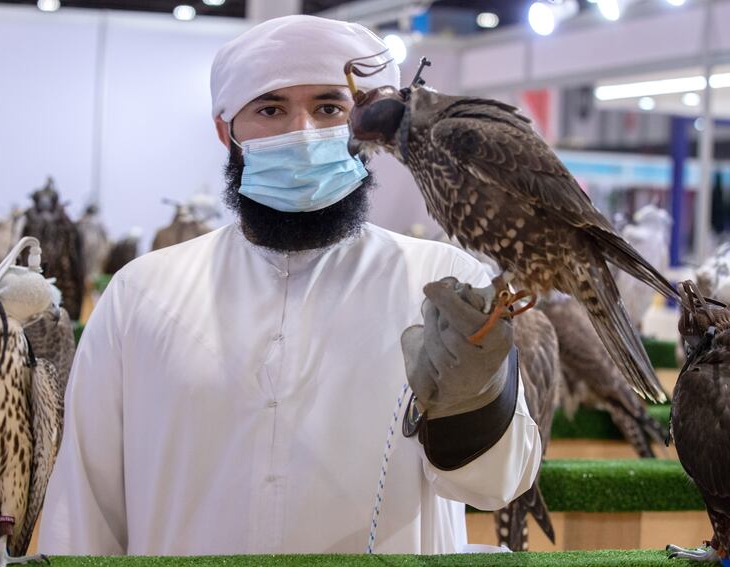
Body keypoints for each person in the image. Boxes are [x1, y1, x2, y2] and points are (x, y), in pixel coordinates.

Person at [38, 14, 541, 556]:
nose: (302, 133)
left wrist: (475, 396)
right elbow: (86, 507)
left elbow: (495, 486)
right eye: (271, 108)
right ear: (224, 131)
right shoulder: (141, 294)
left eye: (329, 107)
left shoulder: (445, 286)